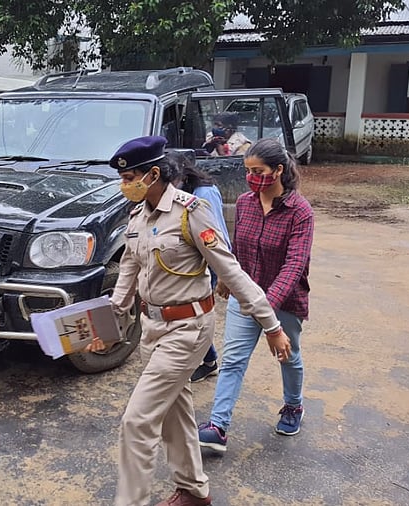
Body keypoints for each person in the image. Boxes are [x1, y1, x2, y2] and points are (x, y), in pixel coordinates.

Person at [108, 136, 291, 506]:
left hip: (188, 329)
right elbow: (128, 272)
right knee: (176, 413)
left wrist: (271, 325)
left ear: (154, 173)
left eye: (130, 177)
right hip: (153, 329)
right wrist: (106, 324)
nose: (125, 184)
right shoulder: (137, 217)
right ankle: (194, 491)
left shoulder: (191, 211)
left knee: (137, 422)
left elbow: (232, 271)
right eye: (123, 178)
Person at [197, 137, 314, 453]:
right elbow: (238, 250)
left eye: (258, 170)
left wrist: (267, 311)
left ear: (277, 170)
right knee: (233, 359)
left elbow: (294, 265)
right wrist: (226, 279)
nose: (251, 177)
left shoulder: (300, 211)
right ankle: (218, 426)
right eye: (247, 170)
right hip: (244, 297)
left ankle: (293, 405)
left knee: (287, 356)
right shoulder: (246, 203)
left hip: (285, 302)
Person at [165, 151, 232, 383]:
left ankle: (209, 360)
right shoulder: (178, 193)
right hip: (189, 260)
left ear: (182, 175)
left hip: (208, 261)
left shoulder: (203, 193)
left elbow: (215, 236)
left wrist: (223, 274)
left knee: (196, 314)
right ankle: (207, 358)